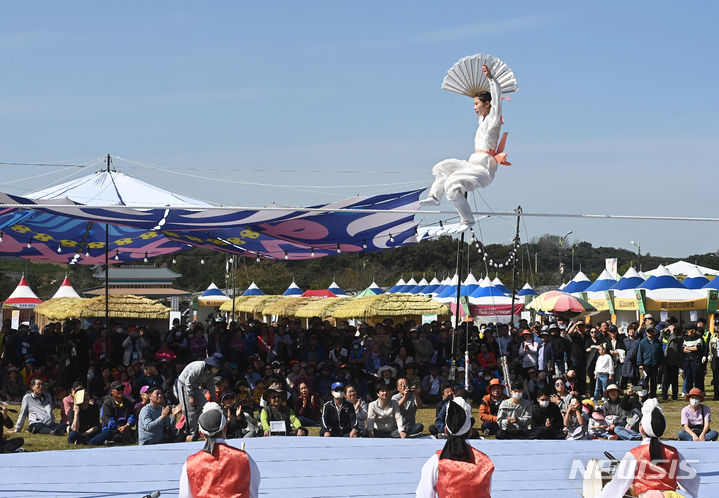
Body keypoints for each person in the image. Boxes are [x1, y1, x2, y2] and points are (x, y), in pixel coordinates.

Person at [419, 63, 508, 229]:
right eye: (473, 104)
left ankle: (467, 219)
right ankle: (435, 197)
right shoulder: (481, 120)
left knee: (452, 185)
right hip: (472, 163)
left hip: (483, 169)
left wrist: (491, 79)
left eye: (476, 104)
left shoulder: (493, 120)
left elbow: (497, 102)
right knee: (443, 167)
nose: (474, 108)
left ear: (487, 104)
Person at [598, 399, 700, 498]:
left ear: (641, 428)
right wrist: (679, 484)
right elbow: (693, 480)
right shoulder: (674, 453)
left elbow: (617, 486)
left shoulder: (634, 454)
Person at [416, 397, 495, 498]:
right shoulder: (485, 462)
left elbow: (423, 495)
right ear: (470, 431)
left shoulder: (436, 462)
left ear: (445, 430)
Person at [179, 402, 260, 498]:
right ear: (225, 428)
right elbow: (253, 492)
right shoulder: (244, 458)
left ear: (201, 433)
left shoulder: (190, 463)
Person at [177, 353, 222, 437]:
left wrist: (213, 397)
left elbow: (211, 384)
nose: (217, 369)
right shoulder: (199, 367)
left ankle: (198, 426)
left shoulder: (210, 372)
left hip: (195, 386)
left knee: (204, 405)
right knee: (189, 409)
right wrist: (190, 396)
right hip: (184, 384)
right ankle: (191, 431)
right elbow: (188, 381)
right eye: (216, 367)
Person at [636, 327, 663, 398]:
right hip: (646, 364)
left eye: (652, 331)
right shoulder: (643, 342)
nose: (650, 333)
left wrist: (660, 363)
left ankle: (653, 394)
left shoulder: (658, 342)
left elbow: (661, 353)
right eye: (648, 331)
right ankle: (643, 394)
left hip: (655, 364)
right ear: (646, 332)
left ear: (654, 332)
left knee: (654, 380)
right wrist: (640, 363)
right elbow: (640, 353)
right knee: (644, 381)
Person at [661, 320, 683, 401]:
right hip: (667, 361)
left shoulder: (680, 337)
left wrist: (671, 331)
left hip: (675, 362)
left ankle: (675, 395)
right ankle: (664, 395)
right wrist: (664, 331)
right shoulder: (670, 336)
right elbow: (661, 337)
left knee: (674, 380)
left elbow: (673, 338)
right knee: (665, 380)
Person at [682, 323, 706, 394]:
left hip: (696, 361)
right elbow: (683, 349)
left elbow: (697, 348)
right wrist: (691, 348)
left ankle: (699, 392)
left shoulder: (699, 338)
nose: (687, 332)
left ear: (693, 330)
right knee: (688, 377)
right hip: (687, 360)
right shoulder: (686, 338)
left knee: (697, 377)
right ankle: (688, 393)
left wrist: (688, 348)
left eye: (689, 330)